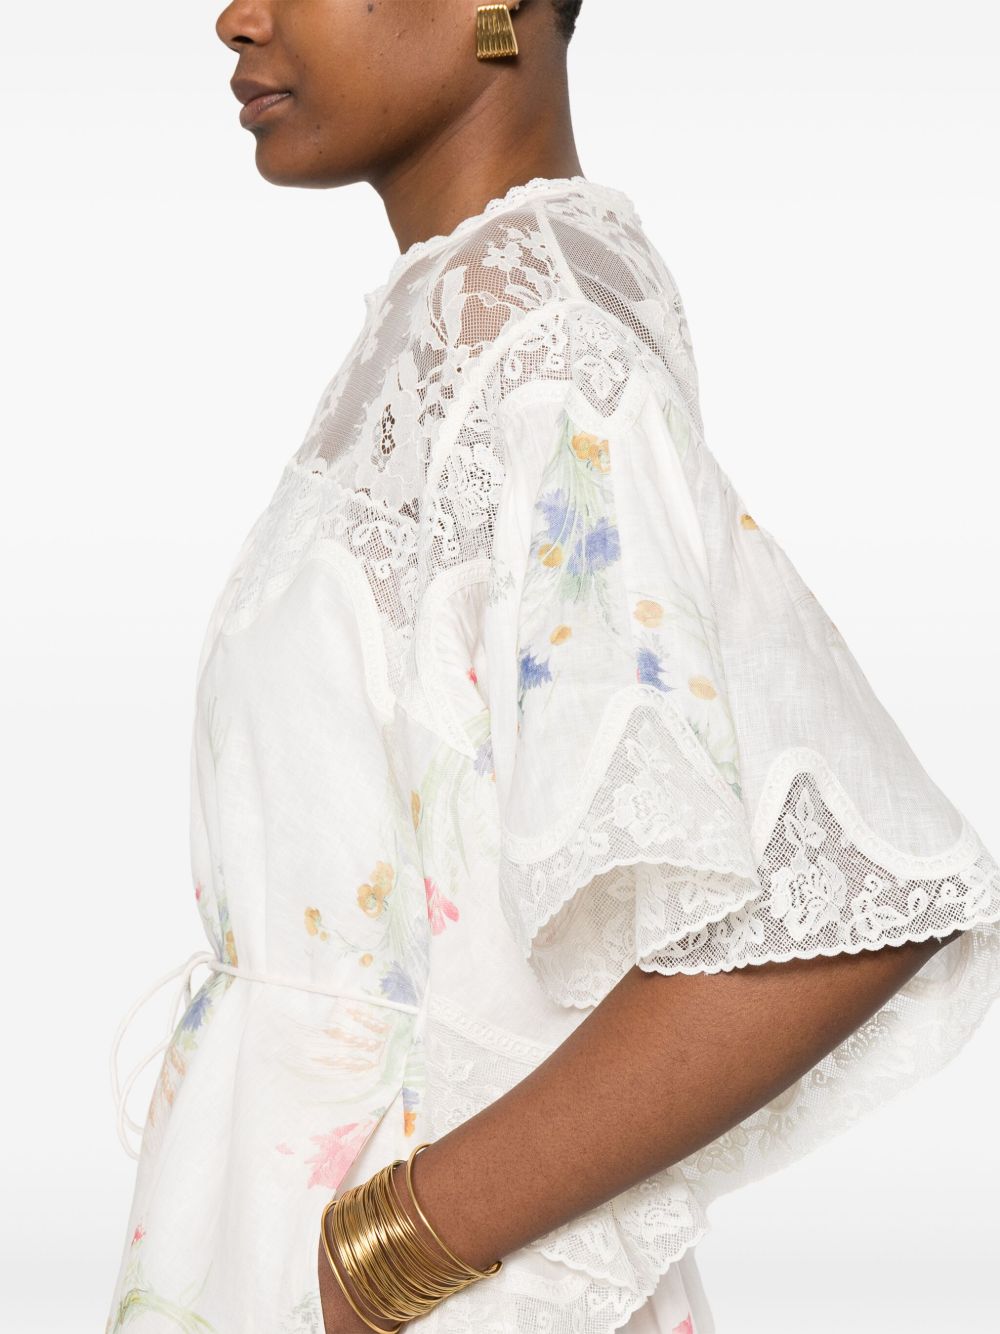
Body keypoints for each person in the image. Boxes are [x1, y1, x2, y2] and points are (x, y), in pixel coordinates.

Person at [105, 4, 1000, 1332]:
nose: (238, 15)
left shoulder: (545, 345)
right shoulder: (457, 322)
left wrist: (384, 1255)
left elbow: (836, 904)